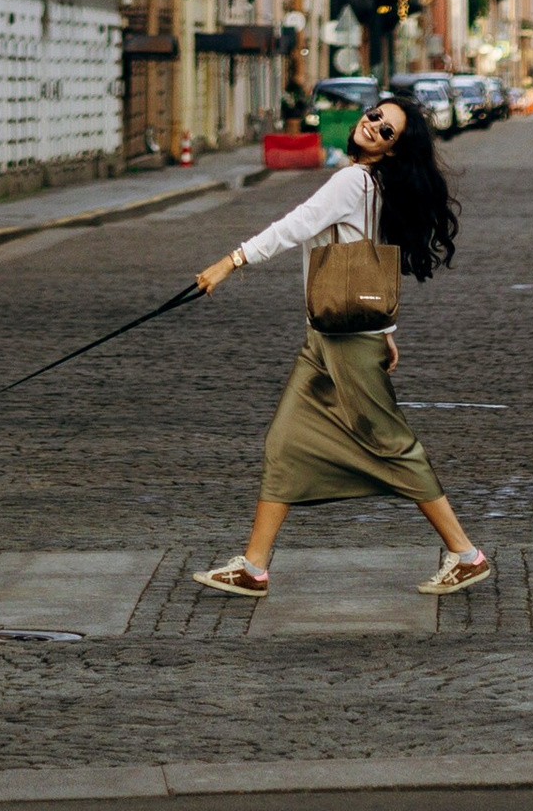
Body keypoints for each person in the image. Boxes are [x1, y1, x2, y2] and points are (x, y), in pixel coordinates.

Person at [189, 90, 488, 599]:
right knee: (283, 444)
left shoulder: (354, 180)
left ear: (393, 149)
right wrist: (388, 332)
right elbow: (369, 261)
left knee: (393, 446)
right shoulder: (374, 185)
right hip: (328, 338)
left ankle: (466, 554)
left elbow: (296, 226)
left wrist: (230, 262)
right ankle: (253, 567)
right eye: (375, 116)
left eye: (387, 130)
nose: (374, 126)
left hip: (347, 342)